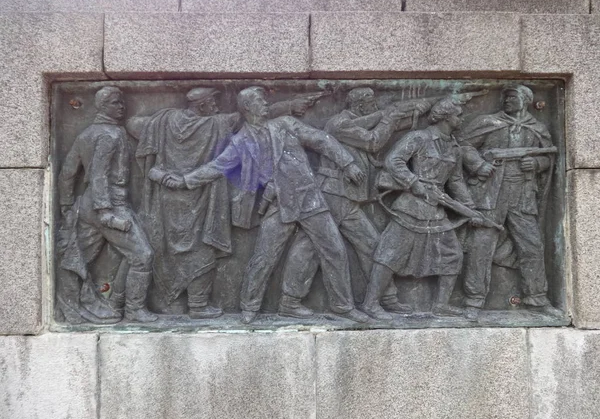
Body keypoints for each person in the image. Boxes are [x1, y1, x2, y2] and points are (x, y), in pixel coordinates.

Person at [165, 86, 369, 324]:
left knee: (334, 249)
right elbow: (217, 166)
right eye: (261, 101)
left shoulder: (285, 125)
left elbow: (321, 140)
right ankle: (250, 307)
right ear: (248, 107)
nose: (265, 104)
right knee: (264, 257)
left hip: (308, 198)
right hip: (278, 203)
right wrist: (185, 181)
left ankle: (342, 306)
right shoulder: (241, 141)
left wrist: (347, 164)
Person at [130, 87, 317, 319]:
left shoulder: (163, 121)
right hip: (198, 197)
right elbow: (246, 116)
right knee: (202, 249)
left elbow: (133, 124)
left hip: (169, 194)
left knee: (169, 249)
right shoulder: (216, 124)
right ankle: (196, 304)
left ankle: (179, 303)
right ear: (201, 106)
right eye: (213, 102)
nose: (217, 106)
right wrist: (288, 105)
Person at [280, 87, 432, 320]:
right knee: (320, 247)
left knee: (366, 244)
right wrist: (391, 115)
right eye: (371, 102)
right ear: (359, 105)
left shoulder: (357, 121)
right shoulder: (340, 124)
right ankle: (295, 301)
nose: (375, 106)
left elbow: (383, 126)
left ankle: (383, 298)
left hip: (345, 195)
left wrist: (415, 112)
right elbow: (374, 141)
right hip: (334, 193)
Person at [363, 98, 485, 319]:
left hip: (437, 207)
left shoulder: (454, 148)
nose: (462, 118)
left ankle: (441, 305)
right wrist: (414, 184)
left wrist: (470, 209)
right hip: (411, 206)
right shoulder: (419, 137)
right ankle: (371, 304)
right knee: (389, 255)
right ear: (446, 117)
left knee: (452, 255)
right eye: (458, 114)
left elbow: (456, 181)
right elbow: (394, 161)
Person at [458, 84, 560, 320]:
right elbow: (462, 144)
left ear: (525, 100)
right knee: (481, 246)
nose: (507, 101)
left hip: (522, 194)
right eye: (505, 97)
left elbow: (548, 158)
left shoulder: (537, 128)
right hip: (489, 193)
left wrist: (536, 165)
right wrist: (478, 164)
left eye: (513, 97)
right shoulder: (488, 122)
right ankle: (474, 300)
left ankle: (536, 297)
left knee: (532, 245)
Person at [58, 86, 157, 323]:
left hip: (88, 206)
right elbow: (99, 173)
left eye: (122, 102)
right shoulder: (108, 135)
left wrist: (66, 203)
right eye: (115, 103)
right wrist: (106, 212)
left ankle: (78, 306)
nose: (121, 106)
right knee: (143, 256)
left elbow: (68, 173)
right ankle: (133, 309)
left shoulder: (87, 134)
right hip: (110, 206)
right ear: (102, 106)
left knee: (78, 258)